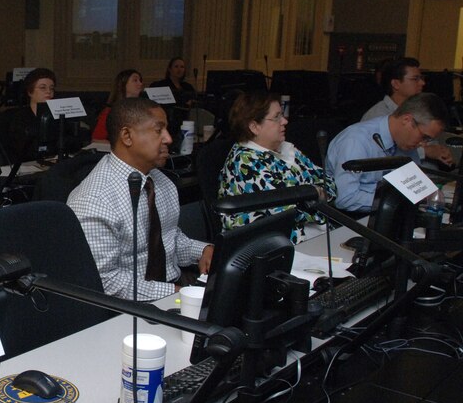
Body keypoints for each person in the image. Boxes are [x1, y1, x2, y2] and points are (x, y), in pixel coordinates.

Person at [69, 98, 213, 301]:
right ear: (127, 136)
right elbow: (106, 282)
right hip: (129, 307)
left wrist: (202, 250)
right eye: (158, 130)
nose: (169, 139)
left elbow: (169, 240)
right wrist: (179, 294)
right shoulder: (94, 199)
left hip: (175, 286)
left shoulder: (160, 181)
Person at [218, 91, 336, 243]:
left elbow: (330, 183)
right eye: (277, 117)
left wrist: (314, 197)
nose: (285, 121)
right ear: (254, 127)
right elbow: (288, 212)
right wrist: (318, 196)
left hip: (315, 235)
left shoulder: (286, 149)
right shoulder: (244, 162)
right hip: (275, 245)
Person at [327, 92, 449, 214]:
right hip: (350, 220)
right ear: (407, 120)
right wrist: (392, 202)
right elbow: (346, 199)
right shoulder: (356, 141)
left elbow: (414, 186)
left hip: (388, 215)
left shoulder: (406, 142)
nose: (423, 143)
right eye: (424, 137)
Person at [361, 57, 453, 167]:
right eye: (415, 79)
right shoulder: (377, 115)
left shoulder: (423, 110)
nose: (422, 83)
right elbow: (379, 158)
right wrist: (425, 152)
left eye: (422, 78)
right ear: (396, 84)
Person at [1, 67, 57, 162]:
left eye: (51, 88)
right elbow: (19, 150)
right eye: (43, 87)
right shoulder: (17, 118)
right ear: (30, 92)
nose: (49, 91)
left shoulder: (56, 115)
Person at [92, 69, 144, 142]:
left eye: (140, 80)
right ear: (123, 84)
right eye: (135, 80)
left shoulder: (144, 109)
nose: (140, 84)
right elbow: (96, 139)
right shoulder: (110, 112)